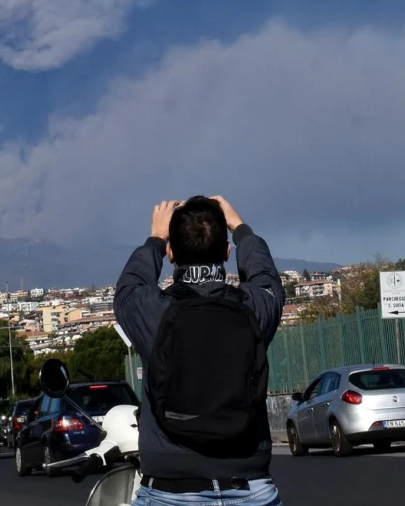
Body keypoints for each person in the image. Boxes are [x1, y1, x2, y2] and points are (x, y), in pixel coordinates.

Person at [114, 196, 285, 506]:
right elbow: (266, 280)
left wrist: (155, 238)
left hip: (169, 491)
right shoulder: (253, 309)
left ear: (170, 253)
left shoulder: (155, 314)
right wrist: (241, 228)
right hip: (250, 487)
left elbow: (130, 288)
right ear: (226, 252)